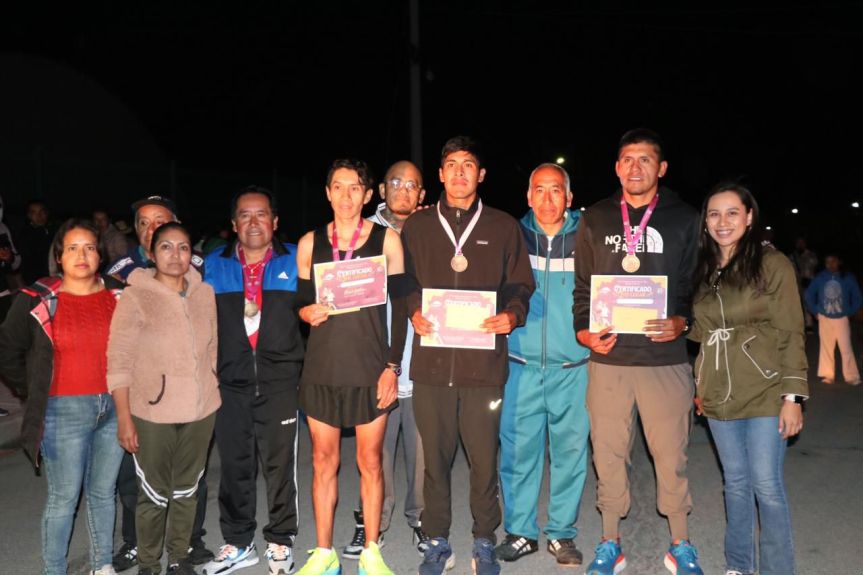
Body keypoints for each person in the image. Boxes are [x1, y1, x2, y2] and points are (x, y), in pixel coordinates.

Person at [401, 136, 534, 575]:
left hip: (483, 367)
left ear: (481, 174)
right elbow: (402, 281)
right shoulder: (417, 227)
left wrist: (512, 316)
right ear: (440, 175)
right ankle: (437, 540)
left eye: (468, 165)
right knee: (434, 461)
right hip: (433, 366)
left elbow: (520, 284)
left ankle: (484, 540)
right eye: (451, 165)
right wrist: (414, 309)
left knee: (483, 461)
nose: (459, 172)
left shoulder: (502, 226)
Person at [573, 128, 703, 575]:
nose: (635, 167)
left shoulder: (685, 218)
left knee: (671, 456)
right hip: (608, 360)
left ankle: (681, 543)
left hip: (663, 362)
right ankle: (610, 542)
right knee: (607, 454)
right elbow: (583, 289)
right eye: (627, 159)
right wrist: (582, 332)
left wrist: (682, 321)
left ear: (661, 168)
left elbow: (693, 286)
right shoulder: (596, 217)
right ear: (616, 166)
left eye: (645, 160)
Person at [294, 158, 405, 575]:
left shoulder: (387, 240)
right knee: (323, 462)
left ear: (368, 194)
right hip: (322, 369)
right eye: (337, 187)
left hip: (369, 368)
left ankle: (372, 551)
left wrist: (391, 366)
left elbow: (404, 307)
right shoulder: (309, 243)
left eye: (354, 187)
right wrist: (305, 312)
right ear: (327, 193)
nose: (345, 196)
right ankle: (324, 553)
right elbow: (298, 301)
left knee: (371, 461)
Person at [691, 182, 807, 575]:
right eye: (714, 214)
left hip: (765, 389)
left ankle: (777, 569)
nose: (722, 222)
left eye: (732, 213)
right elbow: (701, 331)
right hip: (719, 392)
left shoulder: (772, 264)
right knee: (735, 484)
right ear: (705, 222)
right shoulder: (704, 267)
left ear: (750, 217)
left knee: (766, 486)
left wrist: (793, 396)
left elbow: (792, 330)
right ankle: (738, 566)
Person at [0, 218, 125, 575]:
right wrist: (30, 388)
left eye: (89, 247)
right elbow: (7, 348)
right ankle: (53, 570)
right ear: (59, 255)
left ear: (99, 255)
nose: (81, 255)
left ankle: (103, 565)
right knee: (64, 498)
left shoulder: (118, 295)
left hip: (114, 406)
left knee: (104, 493)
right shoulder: (38, 298)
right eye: (72, 248)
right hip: (62, 410)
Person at [107, 222, 221, 575]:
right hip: (152, 413)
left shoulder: (205, 294)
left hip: (201, 411)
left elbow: (212, 348)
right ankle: (148, 564)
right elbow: (119, 359)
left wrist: (211, 383)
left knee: (187, 489)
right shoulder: (136, 295)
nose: (176, 255)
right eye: (167, 247)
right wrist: (124, 416)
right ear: (152, 253)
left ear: (192, 254)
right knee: (153, 495)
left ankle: (178, 557)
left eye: (183, 247)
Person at [202, 186, 301, 575]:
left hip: (279, 380)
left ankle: (280, 540)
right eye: (245, 215)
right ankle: (239, 542)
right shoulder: (212, 264)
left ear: (275, 222)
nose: (254, 222)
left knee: (279, 466)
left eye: (262, 214)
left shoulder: (297, 259)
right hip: (231, 381)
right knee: (235, 465)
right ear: (233, 224)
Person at [496, 163, 590, 567]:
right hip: (521, 364)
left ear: (569, 197)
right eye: (540, 190)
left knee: (570, 453)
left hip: (575, 367)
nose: (548, 199)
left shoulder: (589, 236)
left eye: (557, 190)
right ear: (528, 195)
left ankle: (561, 534)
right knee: (518, 453)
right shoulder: (510, 236)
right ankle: (520, 532)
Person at [343, 160, 430, 560]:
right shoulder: (362, 235)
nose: (404, 190)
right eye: (396, 182)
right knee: (373, 454)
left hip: (424, 362)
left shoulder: (435, 232)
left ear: (422, 195)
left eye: (412, 185)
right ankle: (372, 523)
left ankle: (422, 521)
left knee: (421, 454)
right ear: (380, 188)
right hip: (376, 363)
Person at [805, 253, 861, 385]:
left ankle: (851, 376)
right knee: (826, 347)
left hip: (842, 317)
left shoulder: (847, 277)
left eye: (833, 261)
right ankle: (827, 374)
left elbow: (858, 297)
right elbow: (808, 295)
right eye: (827, 262)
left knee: (846, 347)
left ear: (839, 262)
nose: (830, 265)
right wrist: (815, 311)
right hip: (825, 317)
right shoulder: (820, 278)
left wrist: (850, 312)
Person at [16, 199, 55, 285]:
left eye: (42, 212)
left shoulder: (54, 230)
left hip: (53, 276)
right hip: (36, 281)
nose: (39, 216)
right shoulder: (25, 234)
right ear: (29, 215)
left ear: (47, 213)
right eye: (34, 213)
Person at [789, 237, 818, 331]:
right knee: (796, 303)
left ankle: (809, 323)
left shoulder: (810, 255)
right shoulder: (792, 256)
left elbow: (813, 265)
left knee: (807, 302)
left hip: (809, 283)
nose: (800, 245)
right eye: (798, 243)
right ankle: (799, 323)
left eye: (802, 243)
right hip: (796, 283)